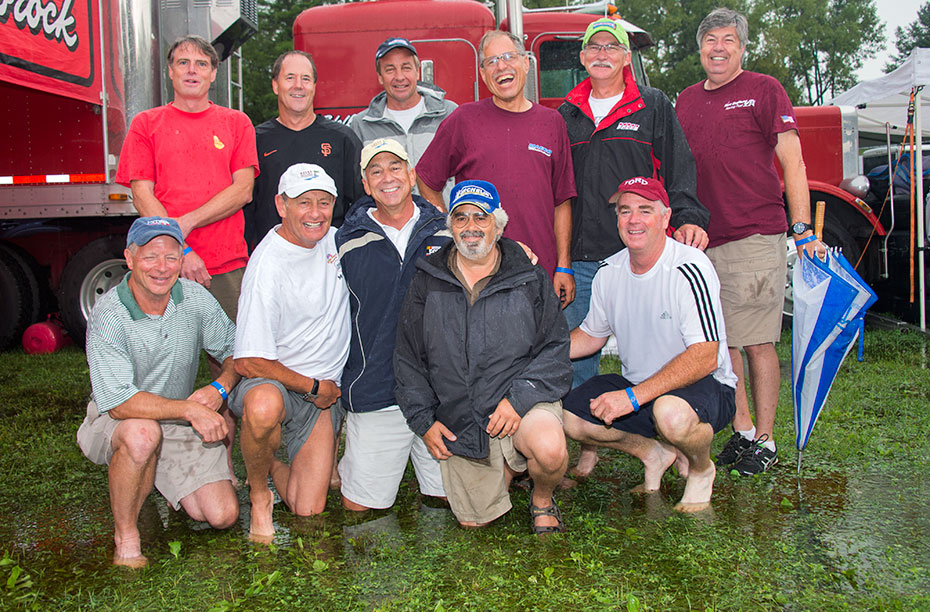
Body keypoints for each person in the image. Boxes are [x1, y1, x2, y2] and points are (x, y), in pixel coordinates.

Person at [559, 17, 710, 481]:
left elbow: (679, 166)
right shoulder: (565, 114)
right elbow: (558, 187)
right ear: (583, 58)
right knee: (581, 349)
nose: (602, 53)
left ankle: (674, 431)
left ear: (626, 57)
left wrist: (686, 219)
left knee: (663, 345)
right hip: (586, 256)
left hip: (643, 252)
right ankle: (589, 445)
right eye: (593, 47)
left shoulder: (654, 104)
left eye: (612, 46)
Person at [676, 8, 825, 475]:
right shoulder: (685, 101)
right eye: (710, 40)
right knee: (724, 344)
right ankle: (741, 432)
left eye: (727, 39)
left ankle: (766, 438)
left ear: (741, 47)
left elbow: (793, 163)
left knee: (757, 341)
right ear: (700, 49)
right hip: (700, 242)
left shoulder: (764, 89)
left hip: (754, 234)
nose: (718, 48)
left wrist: (802, 230)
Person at [394, 180, 572, 534]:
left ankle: (541, 497)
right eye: (460, 218)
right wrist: (423, 421)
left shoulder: (529, 276)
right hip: (462, 416)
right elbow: (407, 358)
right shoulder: (427, 278)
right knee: (475, 523)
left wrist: (518, 399)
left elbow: (555, 348)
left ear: (499, 226)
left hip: (520, 404)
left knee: (549, 448)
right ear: (450, 226)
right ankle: (506, 469)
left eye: (481, 217)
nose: (471, 226)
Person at [562, 177, 737, 512]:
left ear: (666, 218)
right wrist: (538, 350)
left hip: (705, 385)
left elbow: (706, 356)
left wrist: (631, 397)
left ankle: (701, 468)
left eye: (645, 210)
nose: (634, 219)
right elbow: (591, 335)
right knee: (572, 417)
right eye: (625, 211)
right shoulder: (609, 271)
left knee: (669, 413)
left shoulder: (690, 266)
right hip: (640, 387)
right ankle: (652, 453)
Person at [77, 217, 240, 568]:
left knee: (222, 514)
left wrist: (219, 387)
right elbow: (120, 402)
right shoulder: (109, 314)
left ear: (182, 260)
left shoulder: (195, 298)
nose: (162, 268)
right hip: (118, 418)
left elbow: (235, 350)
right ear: (130, 259)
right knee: (141, 433)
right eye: (150, 257)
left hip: (178, 422)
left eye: (171, 257)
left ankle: (160, 477)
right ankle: (127, 536)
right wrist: (190, 409)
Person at [229, 164, 350, 541]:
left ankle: (270, 457)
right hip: (284, 385)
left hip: (321, 397)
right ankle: (259, 491)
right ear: (281, 205)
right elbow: (247, 360)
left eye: (324, 202)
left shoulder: (338, 241)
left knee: (307, 507)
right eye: (303, 203)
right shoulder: (268, 264)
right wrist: (313, 386)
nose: (315, 213)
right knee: (263, 408)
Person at [415, 30, 576, 302]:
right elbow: (426, 178)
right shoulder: (464, 120)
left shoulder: (552, 123)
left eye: (508, 57)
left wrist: (563, 265)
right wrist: (451, 227)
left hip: (540, 272)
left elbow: (562, 201)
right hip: (479, 275)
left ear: (526, 62)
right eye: (491, 61)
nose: (501, 66)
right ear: (482, 73)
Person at [335, 138, 449, 512]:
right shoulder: (345, 239)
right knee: (359, 508)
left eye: (395, 167)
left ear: (412, 175)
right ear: (366, 185)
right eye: (376, 171)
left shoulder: (446, 231)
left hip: (438, 392)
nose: (387, 178)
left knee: (453, 503)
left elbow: (490, 253)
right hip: (376, 388)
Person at [115, 35, 258, 322]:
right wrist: (181, 248)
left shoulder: (237, 123)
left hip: (225, 262)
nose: (192, 70)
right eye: (184, 62)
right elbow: (142, 194)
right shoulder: (145, 124)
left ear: (213, 73)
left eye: (201, 64)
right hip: (162, 264)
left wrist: (186, 222)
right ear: (171, 71)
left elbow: (243, 190)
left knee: (231, 358)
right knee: (168, 360)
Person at [245, 51, 364, 250]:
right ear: (275, 85)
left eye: (305, 79)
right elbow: (246, 209)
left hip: (330, 258)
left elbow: (362, 203)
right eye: (290, 77)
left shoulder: (342, 138)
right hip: (275, 257)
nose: (298, 85)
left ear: (314, 87)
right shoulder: (255, 140)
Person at [350, 37, 457, 199]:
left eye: (406, 68)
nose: (399, 77)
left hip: (443, 222)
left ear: (417, 71)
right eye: (390, 69)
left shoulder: (450, 113)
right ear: (380, 77)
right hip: (387, 224)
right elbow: (358, 186)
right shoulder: (361, 125)